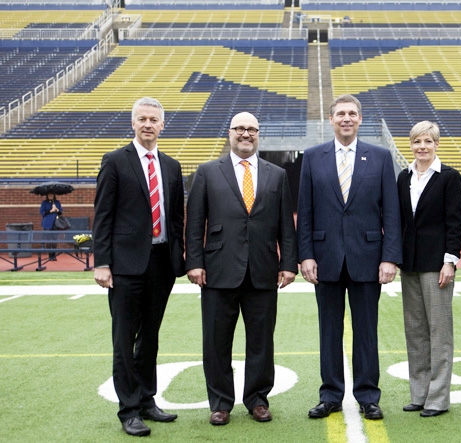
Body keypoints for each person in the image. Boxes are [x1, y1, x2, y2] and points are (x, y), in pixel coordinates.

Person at [186, 112, 298, 427]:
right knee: (216, 340)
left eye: (251, 129)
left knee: (261, 340)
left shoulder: (276, 174)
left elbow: (285, 226)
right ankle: (220, 403)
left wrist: (288, 263)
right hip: (218, 270)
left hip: (263, 269)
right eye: (239, 128)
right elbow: (195, 222)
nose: (245, 134)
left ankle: (257, 400)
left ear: (258, 134)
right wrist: (194, 262)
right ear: (230, 133)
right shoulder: (208, 172)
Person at [297, 94, 401, 421]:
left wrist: (389, 258)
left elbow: (392, 214)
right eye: (340, 113)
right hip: (325, 258)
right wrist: (306, 256)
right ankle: (330, 395)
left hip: (368, 259)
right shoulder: (313, 157)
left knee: (366, 331)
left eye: (352, 113)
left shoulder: (381, 157)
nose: (346, 118)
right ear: (331, 119)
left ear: (360, 119)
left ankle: (368, 395)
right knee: (329, 330)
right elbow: (306, 210)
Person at [93, 97, 185, 437]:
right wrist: (101, 262)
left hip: (161, 264)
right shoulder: (115, 160)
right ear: (133, 123)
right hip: (125, 266)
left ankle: (147, 399)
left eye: (154, 119)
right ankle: (128, 410)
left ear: (163, 125)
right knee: (124, 339)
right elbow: (103, 215)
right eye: (142, 119)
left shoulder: (172, 166)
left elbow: (176, 218)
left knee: (149, 338)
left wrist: (181, 258)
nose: (148, 124)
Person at [397, 121, 461, 418]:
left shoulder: (449, 177)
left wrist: (450, 260)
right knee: (415, 332)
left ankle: (438, 398)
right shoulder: (403, 177)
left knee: (439, 332)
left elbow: (455, 222)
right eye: (416, 142)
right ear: (410, 145)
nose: (422, 146)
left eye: (427, 141)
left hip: (437, 265)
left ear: (437, 144)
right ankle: (419, 393)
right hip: (409, 264)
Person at [40, 192, 62, 260]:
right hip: (47, 223)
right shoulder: (44, 203)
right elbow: (42, 212)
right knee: (49, 240)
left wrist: (56, 209)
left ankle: (54, 255)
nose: (50, 196)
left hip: (55, 223)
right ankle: (50, 255)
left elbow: (60, 212)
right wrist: (51, 211)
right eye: (49, 195)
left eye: (52, 194)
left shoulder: (57, 202)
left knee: (54, 240)